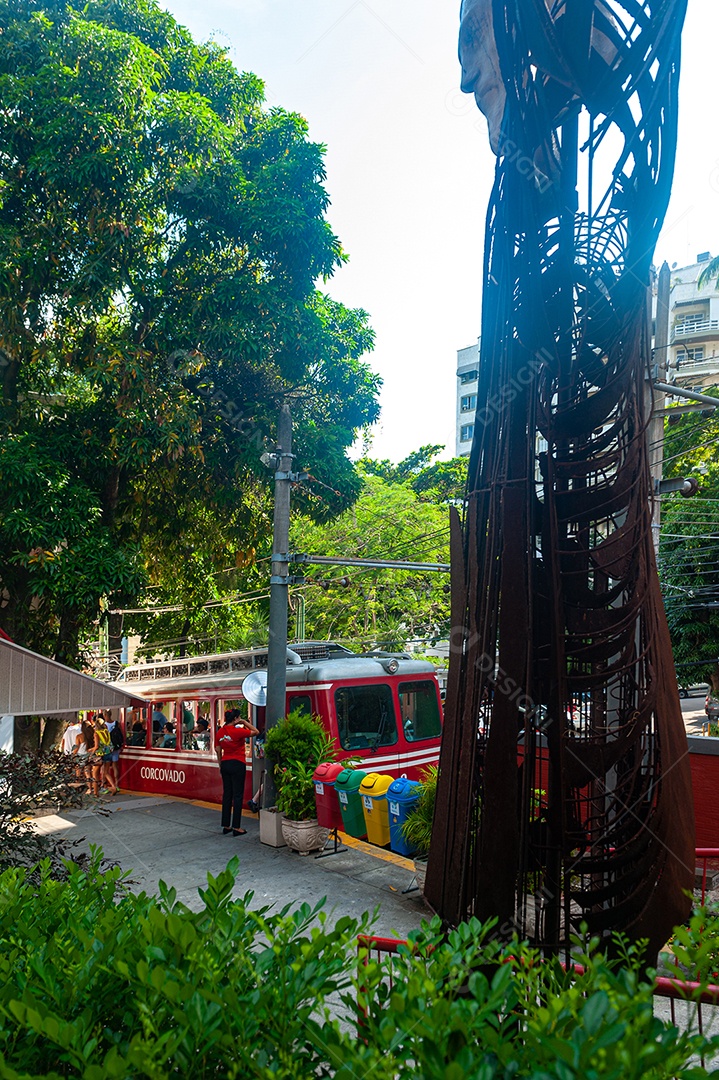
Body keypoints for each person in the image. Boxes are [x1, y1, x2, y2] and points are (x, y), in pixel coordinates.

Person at [216, 708, 258, 835]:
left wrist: (220, 764)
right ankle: (236, 827)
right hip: (238, 763)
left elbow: (218, 750)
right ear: (235, 719)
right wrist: (244, 722)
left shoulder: (220, 732)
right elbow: (256, 731)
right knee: (238, 795)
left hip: (225, 763)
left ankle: (226, 825)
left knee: (227, 794)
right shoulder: (238, 731)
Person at [105, 712, 124, 793]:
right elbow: (121, 734)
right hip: (116, 747)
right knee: (115, 766)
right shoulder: (116, 723)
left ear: (105, 715)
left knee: (106, 768)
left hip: (108, 749)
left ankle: (108, 785)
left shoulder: (104, 725)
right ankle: (116, 784)